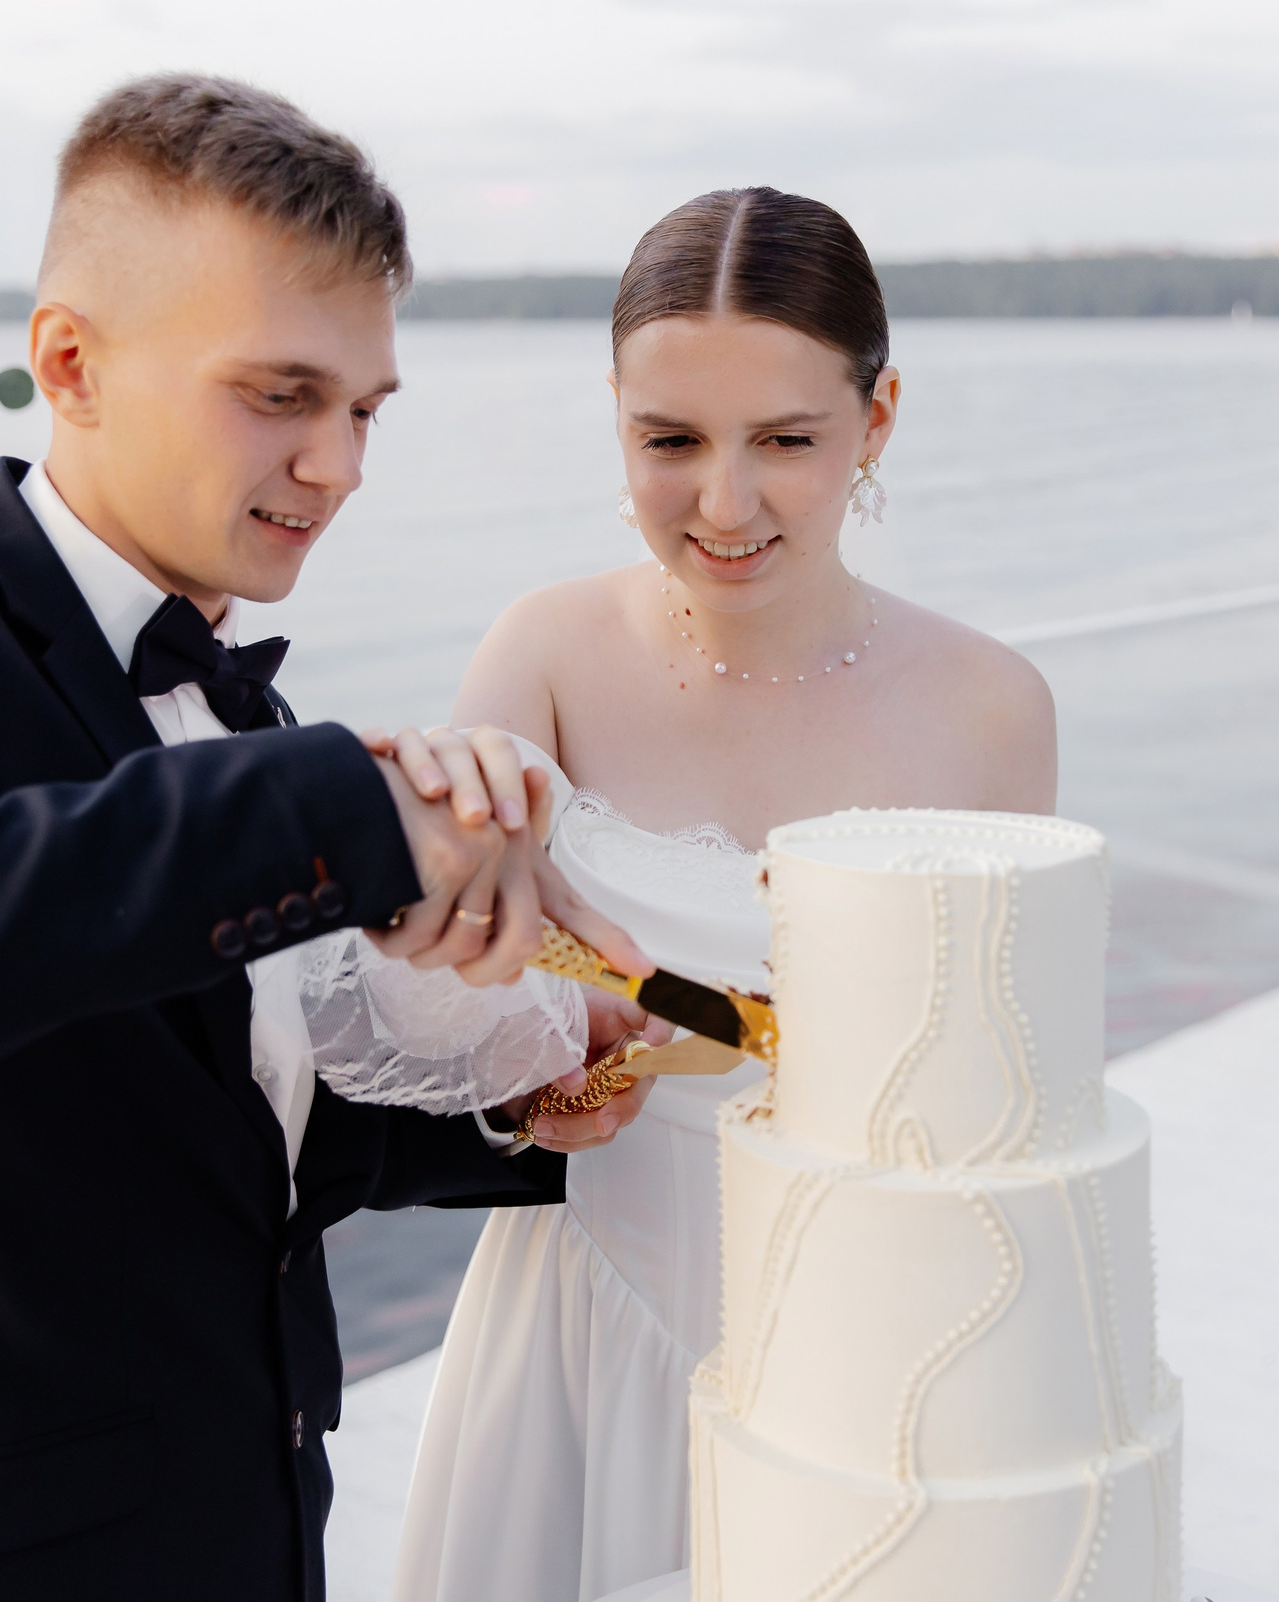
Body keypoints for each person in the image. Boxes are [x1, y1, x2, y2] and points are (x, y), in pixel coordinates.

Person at [0, 75, 654, 1602]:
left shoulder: (236, 713)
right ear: (72, 363)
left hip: (244, 1537)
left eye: (364, 411)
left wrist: (517, 1104)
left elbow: (224, 1135)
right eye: (282, 396)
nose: (342, 466)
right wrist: (339, 806)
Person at [380, 187, 1060, 1602]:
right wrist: (524, 1094)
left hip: (875, 1342)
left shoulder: (995, 708)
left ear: (876, 422)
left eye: (787, 443)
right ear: (616, 422)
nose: (723, 504)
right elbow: (449, 1013)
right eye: (670, 441)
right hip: (582, 1320)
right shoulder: (546, 651)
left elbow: (1014, 1101)